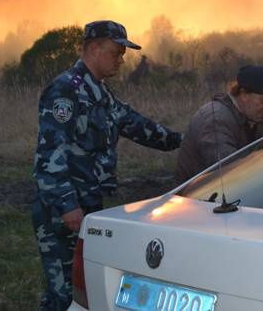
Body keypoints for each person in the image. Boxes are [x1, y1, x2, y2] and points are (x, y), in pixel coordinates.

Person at [31, 20, 182, 310]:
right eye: (116, 52)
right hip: (63, 209)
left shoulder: (100, 92)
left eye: (123, 54)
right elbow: (50, 154)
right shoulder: (66, 91)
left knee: (82, 289)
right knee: (64, 294)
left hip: (88, 203)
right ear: (93, 48)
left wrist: (179, 140)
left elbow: (134, 124)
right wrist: (67, 206)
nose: (121, 60)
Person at [175, 64, 263, 183]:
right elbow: (230, 171)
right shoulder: (217, 120)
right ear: (243, 94)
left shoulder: (245, 115)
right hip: (201, 198)